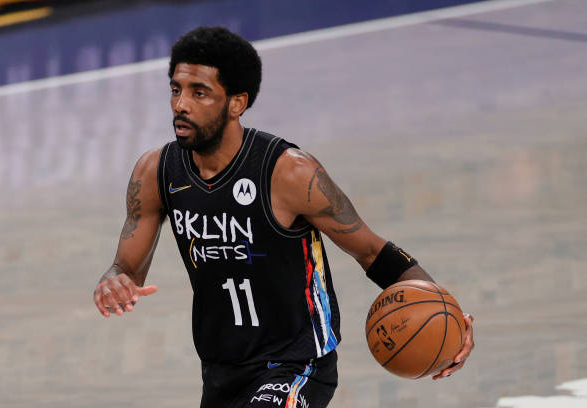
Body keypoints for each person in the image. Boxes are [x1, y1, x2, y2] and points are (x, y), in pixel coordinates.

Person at [92, 26, 475, 407]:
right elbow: (125, 268)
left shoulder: (289, 173)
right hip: (221, 367)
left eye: (199, 93)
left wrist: (451, 317)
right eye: (176, 89)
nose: (181, 104)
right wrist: (114, 281)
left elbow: (373, 252)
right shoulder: (156, 172)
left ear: (237, 103)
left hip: (298, 363)